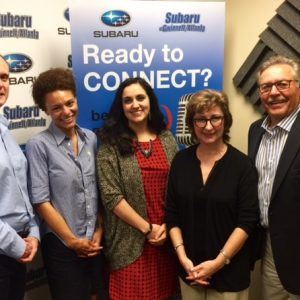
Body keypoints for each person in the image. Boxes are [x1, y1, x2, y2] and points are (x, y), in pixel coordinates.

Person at [166, 89, 259, 300]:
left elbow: (246, 222)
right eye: (200, 120)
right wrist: (182, 258)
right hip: (190, 271)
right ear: (192, 124)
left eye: (215, 118)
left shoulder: (242, 166)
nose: (208, 126)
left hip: (229, 274)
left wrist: (218, 263)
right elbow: (172, 214)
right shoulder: (180, 162)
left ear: (225, 120)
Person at [97, 77, 179, 300]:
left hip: (165, 240)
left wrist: (165, 227)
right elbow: (110, 196)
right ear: (121, 107)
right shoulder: (110, 143)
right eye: (128, 100)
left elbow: (178, 189)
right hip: (129, 242)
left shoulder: (167, 139)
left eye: (140, 98)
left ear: (150, 101)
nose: (135, 105)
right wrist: (147, 229)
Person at [26, 68, 104, 300]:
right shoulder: (38, 145)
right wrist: (73, 242)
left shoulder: (90, 138)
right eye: (56, 108)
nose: (66, 111)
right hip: (63, 247)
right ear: (45, 111)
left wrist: (99, 230)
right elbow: (41, 201)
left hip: (95, 242)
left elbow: (96, 190)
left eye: (69, 103)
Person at [248, 55, 300, 300]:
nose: (274, 92)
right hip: (271, 246)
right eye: (266, 87)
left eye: (282, 84)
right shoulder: (255, 130)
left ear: (297, 86)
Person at [0, 54, 39, 300]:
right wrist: (17, 245)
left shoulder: (5, 129)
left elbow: (20, 193)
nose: (1, 84)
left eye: (4, 77)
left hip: (17, 250)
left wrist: (33, 231)